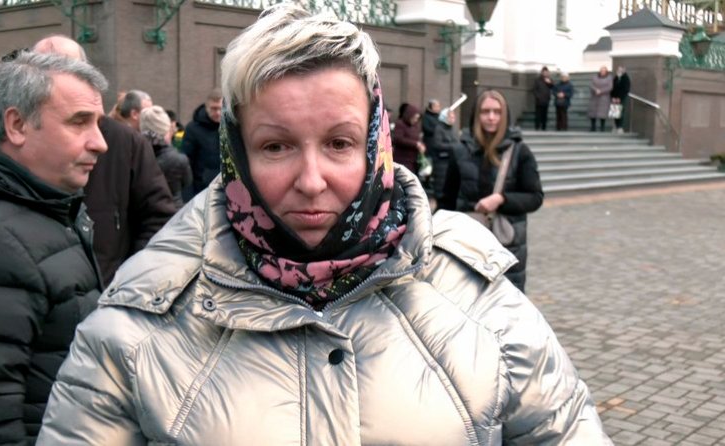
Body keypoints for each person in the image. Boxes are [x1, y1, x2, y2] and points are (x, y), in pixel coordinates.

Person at [37, 6, 611, 445]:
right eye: (276, 145)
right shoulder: (135, 323)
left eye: (339, 143)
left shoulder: (477, 297)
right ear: (237, 153)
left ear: (375, 144)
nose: (311, 181)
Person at [0, 52, 106, 444]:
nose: (100, 142)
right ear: (16, 125)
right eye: (79, 121)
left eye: (97, 122)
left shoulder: (45, 209)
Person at [32, 35, 177, 287]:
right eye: (46, 71)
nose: (98, 145)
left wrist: (127, 283)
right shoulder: (15, 144)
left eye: (69, 70)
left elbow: (158, 220)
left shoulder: (125, 142)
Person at [440, 90, 544, 292]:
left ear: (504, 115)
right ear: (476, 115)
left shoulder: (520, 151)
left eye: (497, 112)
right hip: (467, 244)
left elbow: (535, 197)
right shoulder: (460, 150)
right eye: (485, 111)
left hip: (506, 246)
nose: (491, 117)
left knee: (506, 303)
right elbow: (447, 200)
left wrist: (501, 199)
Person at [141, 105, 193, 209]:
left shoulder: (136, 156)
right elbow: (187, 183)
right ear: (167, 129)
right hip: (173, 209)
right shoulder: (179, 159)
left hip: (143, 210)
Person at [181, 87, 223, 198]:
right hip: (201, 190)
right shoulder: (193, 129)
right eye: (214, 109)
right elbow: (186, 163)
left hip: (227, 188)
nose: (217, 113)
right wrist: (188, 194)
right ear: (206, 107)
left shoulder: (231, 127)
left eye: (220, 108)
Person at [430, 107, 459, 206]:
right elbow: (437, 144)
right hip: (441, 161)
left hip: (450, 160)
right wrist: (453, 146)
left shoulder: (452, 129)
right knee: (440, 185)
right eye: (450, 117)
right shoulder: (439, 128)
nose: (453, 119)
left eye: (453, 117)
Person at [392, 103, 425, 173]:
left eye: (417, 118)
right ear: (409, 116)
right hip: (402, 159)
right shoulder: (400, 124)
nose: (416, 120)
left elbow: (418, 138)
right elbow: (398, 139)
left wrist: (421, 145)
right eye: (414, 118)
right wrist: (416, 144)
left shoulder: (415, 126)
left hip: (413, 160)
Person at [587, 66, 613, 132]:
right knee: (592, 113)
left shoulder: (609, 78)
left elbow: (610, 87)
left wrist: (601, 91)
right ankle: (593, 127)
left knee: (603, 114)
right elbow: (591, 85)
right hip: (594, 97)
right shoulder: (595, 77)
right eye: (601, 70)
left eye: (604, 71)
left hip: (604, 98)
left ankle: (602, 127)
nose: (602, 72)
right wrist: (596, 90)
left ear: (606, 71)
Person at [532, 66, 554, 131]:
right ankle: (537, 126)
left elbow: (552, 87)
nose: (545, 73)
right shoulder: (537, 80)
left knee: (545, 114)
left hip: (546, 99)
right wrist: (538, 96)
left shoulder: (549, 79)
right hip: (539, 100)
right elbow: (534, 89)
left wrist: (549, 82)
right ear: (542, 72)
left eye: (546, 72)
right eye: (544, 72)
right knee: (538, 114)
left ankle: (544, 127)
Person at [611, 66, 631, 133]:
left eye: (620, 70)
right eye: (618, 70)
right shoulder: (616, 78)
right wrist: (613, 97)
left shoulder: (626, 78)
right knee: (615, 112)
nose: (619, 71)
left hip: (622, 98)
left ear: (624, 70)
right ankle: (615, 126)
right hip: (615, 98)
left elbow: (626, 89)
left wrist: (620, 97)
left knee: (621, 112)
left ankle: (620, 127)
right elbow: (612, 88)